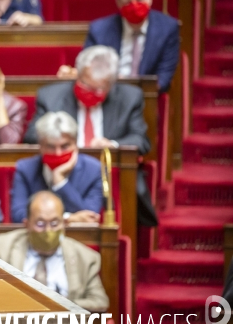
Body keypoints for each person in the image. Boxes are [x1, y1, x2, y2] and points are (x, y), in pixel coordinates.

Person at [25, 45, 158, 226]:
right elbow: (31, 136)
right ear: (77, 74)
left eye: (97, 90)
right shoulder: (50, 96)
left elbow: (141, 141)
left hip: (109, 175)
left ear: (111, 85)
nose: (89, 92)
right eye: (85, 84)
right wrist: (63, 144)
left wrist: (112, 144)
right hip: (61, 170)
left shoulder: (129, 97)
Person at [58, 0, 179, 93]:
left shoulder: (167, 28)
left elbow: (163, 78)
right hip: (108, 96)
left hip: (146, 98)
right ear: (118, 2)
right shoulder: (99, 30)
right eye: (128, 1)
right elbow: (88, 71)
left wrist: (133, 94)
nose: (134, 5)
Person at [0, 191, 109, 312]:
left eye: (55, 223)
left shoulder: (85, 257)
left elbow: (99, 301)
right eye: (40, 224)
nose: (48, 230)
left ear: (64, 223)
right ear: (27, 224)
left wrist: (60, 304)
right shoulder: (0, 248)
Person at [11, 112, 103, 223]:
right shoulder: (25, 169)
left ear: (75, 144)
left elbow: (89, 217)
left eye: (65, 146)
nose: (58, 153)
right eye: (51, 146)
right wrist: (68, 219)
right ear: (40, 146)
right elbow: (18, 215)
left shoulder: (93, 170)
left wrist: (60, 182)